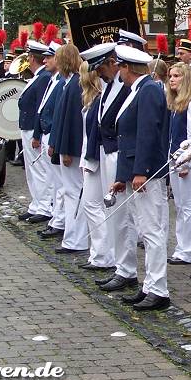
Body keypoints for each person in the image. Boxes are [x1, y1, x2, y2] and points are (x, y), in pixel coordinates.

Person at [108, 44, 171, 311]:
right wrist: (123, 175)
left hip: (146, 173)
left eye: (120, 67)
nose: (118, 72)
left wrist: (141, 171)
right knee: (144, 229)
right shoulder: (139, 90)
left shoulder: (148, 90)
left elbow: (148, 133)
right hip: (135, 170)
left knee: (152, 231)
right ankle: (149, 285)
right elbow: (129, 137)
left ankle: (158, 289)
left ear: (127, 68)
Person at [94, 48, 136, 293]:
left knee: (122, 216)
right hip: (107, 151)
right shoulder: (110, 86)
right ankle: (121, 266)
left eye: (102, 67)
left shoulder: (127, 89)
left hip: (119, 153)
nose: (100, 73)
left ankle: (126, 269)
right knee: (113, 213)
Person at [77, 44, 117, 271]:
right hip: (92, 156)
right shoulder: (95, 99)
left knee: (96, 205)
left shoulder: (100, 98)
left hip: (97, 157)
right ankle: (100, 253)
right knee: (92, 205)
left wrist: (88, 160)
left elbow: (95, 135)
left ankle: (104, 254)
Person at [48, 43, 89, 254]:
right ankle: (73, 237)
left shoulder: (74, 85)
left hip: (71, 150)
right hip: (68, 148)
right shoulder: (71, 83)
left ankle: (76, 240)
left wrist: (64, 150)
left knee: (74, 194)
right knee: (72, 193)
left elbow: (72, 122)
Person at [165, 61, 191, 266]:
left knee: (187, 206)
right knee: (179, 206)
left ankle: (189, 251)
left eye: (177, 76)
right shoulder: (176, 104)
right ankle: (182, 248)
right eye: (171, 76)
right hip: (175, 159)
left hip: (186, 161)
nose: (172, 79)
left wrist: (186, 164)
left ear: (186, 79)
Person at [16, 40, 53, 224]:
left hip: (33, 129)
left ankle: (44, 207)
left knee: (39, 170)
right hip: (28, 127)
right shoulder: (38, 77)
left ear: (31, 58)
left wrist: (37, 134)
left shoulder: (43, 77)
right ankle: (36, 204)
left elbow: (41, 108)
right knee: (32, 170)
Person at [33, 42, 66, 239]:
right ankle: (56, 217)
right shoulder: (54, 80)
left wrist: (52, 139)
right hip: (47, 133)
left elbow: (59, 114)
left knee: (59, 184)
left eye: (49, 57)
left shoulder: (61, 82)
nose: (44, 60)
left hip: (53, 134)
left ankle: (59, 220)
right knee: (53, 181)